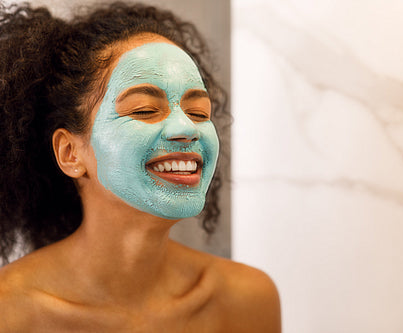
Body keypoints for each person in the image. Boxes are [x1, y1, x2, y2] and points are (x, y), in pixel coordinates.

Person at [0, 2, 281, 331]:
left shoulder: (246, 300)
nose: (187, 129)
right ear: (70, 153)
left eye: (199, 112)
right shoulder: (10, 311)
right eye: (145, 110)